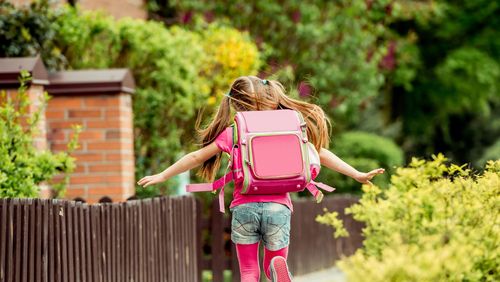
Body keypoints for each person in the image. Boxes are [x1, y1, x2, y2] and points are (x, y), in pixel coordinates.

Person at [137, 76, 385, 282]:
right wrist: (356, 174)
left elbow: (195, 157)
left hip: (244, 206)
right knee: (273, 262)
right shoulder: (290, 127)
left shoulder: (234, 131)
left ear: (238, 106)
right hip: (279, 207)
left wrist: (162, 175)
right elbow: (322, 154)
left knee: (248, 271)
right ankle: (276, 265)